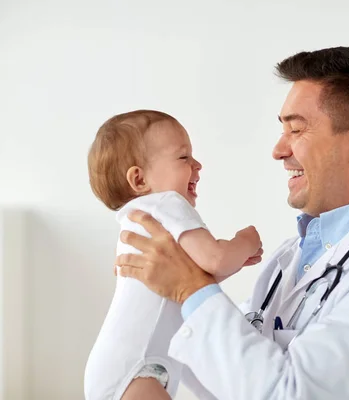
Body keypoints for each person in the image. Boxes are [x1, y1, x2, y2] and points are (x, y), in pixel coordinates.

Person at [115, 46, 349, 399]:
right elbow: (233, 383)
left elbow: (290, 393)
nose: (278, 150)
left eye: (296, 130)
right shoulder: (289, 259)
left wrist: (190, 288)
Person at [83, 110, 263, 400]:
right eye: (184, 158)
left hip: (127, 364)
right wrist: (245, 241)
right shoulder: (165, 203)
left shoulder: (140, 219)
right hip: (136, 367)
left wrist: (233, 260)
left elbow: (198, 279)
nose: (198, 165)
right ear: (139, 179)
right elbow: (215, 259)